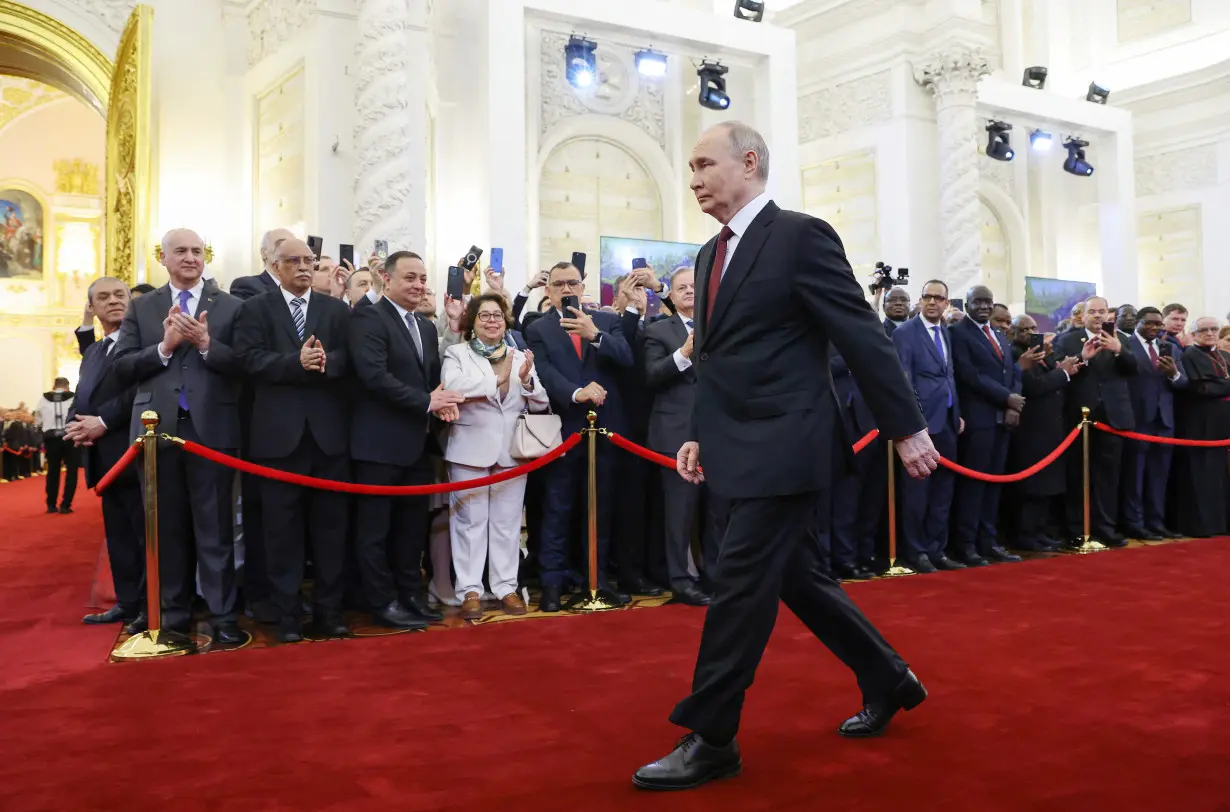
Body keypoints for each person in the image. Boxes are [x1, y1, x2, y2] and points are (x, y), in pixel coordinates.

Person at [633, 121, 938, 792]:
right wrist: (700, 434)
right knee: (798, 578)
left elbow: (860, 334)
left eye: (703, 163)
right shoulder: (711, 255)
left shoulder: (802, 235)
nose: (692, 178)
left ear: (748, 162)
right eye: (688, 166)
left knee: (738, 584)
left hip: (789, 444)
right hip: (735, 444)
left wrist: (905, 427)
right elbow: (718, 359)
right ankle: (889, 677)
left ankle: (713, 736)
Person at [112, 228, 246, 644]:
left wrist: (207, 344)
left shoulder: (232, 307)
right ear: (163, 258)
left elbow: (245, 365)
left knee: (216, 528)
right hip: (155, 433)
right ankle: (171, 615)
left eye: (197, 251)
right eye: (181, 251)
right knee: (165, 528)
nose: (190, 258)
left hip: (213, 431)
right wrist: (164, 348)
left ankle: (223, 615)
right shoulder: (143, 307)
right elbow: (121, 367)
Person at [232, 237, 353, 642]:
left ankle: (328, 613)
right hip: (277, 439)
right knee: (281, 534)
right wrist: (294, 362)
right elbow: (246, 360)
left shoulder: (335, 310)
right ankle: (285, 617)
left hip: (329, 439)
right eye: (294, 261)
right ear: (274, 265)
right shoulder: (255, 309)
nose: (304, 267)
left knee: (331, 532)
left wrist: (325, 362)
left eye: (309, 261)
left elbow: (351, 360)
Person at [349, 250, 464, 629]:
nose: (418, 285)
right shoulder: (367, 317)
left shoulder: (426, 326)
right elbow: (373, 376)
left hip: (416, 444)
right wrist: (427, 401)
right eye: (410, 277)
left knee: (410, 528)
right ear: (386, 278)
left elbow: (429, 378)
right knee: (375, 531)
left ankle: (410, 594)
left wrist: (442, 402)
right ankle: (381, 602)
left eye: (422, 278)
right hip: (377, 446)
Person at [440, 294, 547, 620]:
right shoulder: (456, 352)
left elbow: (541, 403)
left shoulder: (518, 356)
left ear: (506, 321)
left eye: (497, 315)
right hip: (468, 451)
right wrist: (495, 380)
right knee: (469, 523)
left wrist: (527, 381)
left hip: (512, 453)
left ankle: (506, 587)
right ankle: (470, 590)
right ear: (472, 321)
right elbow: (453, 387)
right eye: (484, 315)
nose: (491, 321)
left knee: (507, 524)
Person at [65, 277, 146, 629]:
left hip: (135, 453)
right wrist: (74, 425)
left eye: (120, 295)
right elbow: (84, 393)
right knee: (119, 540)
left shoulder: (146, 343)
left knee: (146, 538)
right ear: (93, 309)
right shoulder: (95, 350)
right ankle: (127, 604)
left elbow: (140, 393)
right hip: (103, 460)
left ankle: (149, 607)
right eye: (103, 297)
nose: (113, 301)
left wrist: (102, 421)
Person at [642, 268, 717, 604]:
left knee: (718, 511)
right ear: (670, 296)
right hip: (675, 435)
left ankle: (716, 575)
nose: (689, 291)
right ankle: (681, 580)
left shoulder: (720, 325)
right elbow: (651, 376)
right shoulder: (658, 330)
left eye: (694, 286)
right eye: (682, 287)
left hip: (720, 432)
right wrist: (684, 354)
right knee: (680, 514)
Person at [1054, 297, 1137, 546]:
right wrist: (1084, 357)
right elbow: (1061, 371)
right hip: (1080, 418)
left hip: (1113, 417)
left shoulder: (1121, 339)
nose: (1098, 316)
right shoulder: (1067, 339)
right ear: (1083, 315)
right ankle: (1077, 530)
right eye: (1093, 312)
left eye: (1102, 312)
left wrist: (1118, 350)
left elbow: (1135, 368)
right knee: (1079, 476)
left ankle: (1106, 530)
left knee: (1108, 477)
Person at [1122, 307, 1186, 539]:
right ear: (1138, 322)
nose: (1155, 328)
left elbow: (1183, 382)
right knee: (1135, 475)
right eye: (1150, 323)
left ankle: (1156, 521)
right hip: (1138, 420)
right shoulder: (1126, 344)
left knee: (1159, 475)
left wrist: (1173, 374)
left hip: (1164, 421)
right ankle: (1134, 522)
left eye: (1159, 324)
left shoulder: (1169, 347)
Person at [1173, 318, 1230, 537]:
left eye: (1214, 329)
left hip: (1223, 421)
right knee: (1203, 471)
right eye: (1203, 330)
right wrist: (1222, 386)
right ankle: (1203, 525)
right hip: (1201, 422)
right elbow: (1200, 387)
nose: (1210, 333)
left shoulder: (1224, 356)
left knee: (1222, 472)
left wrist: (1219, 386)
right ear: (1194, 334)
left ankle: (1223, 522)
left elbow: (1216, 385)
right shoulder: (1189, 355)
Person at [34, 377, 78, 514]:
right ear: (67, 386)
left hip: (51, 439)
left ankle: (51, 504)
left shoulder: (43, 399)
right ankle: (65, 505)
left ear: (54, 386)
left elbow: (38, 421)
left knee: (53, 471)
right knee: (71, 471)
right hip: (70, 437)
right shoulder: (74, 398)